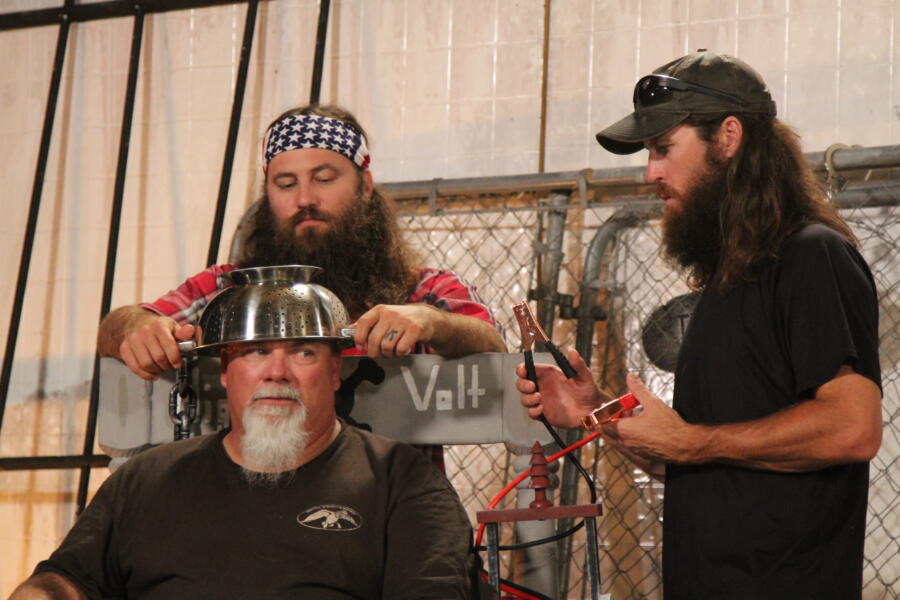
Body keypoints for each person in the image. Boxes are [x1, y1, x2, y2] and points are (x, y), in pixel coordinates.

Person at [516, 50, 882, 600]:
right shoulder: (726, 281)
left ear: (728, 136)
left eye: (664, 148)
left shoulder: (811, 254)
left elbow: (854, 427)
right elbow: (703, 463)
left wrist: (688, 442)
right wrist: (596, 415)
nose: (652, 172)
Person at [11, 335, 476, 598]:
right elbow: (67, 579)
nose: (277, 372)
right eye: (255, 352)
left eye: (302, 352)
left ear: (335, 372)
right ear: (227, 373)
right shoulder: (146, 479)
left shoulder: (402, 481)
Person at [97, 104, 505, 382]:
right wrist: (141, 328)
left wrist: (429, 320)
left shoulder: (422, 290)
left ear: (364, 185)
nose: (305, 199)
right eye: (286, 184)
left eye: (324, 179)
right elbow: (119, 325)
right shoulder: (228, 291)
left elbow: (491, 342)